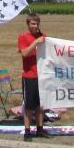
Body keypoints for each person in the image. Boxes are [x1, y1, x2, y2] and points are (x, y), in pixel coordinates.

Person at [17, 12, 51, 140]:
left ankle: (40, 129)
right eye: (32, 23)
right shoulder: (23, 37)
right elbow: (24, 53)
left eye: (37, 23)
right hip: (30, 75)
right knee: (29, 105)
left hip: (43, 75)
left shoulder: (43, 36)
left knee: (41, 104)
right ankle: (27, 131)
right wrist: (36, 42)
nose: (35, 26)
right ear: (28, 24)